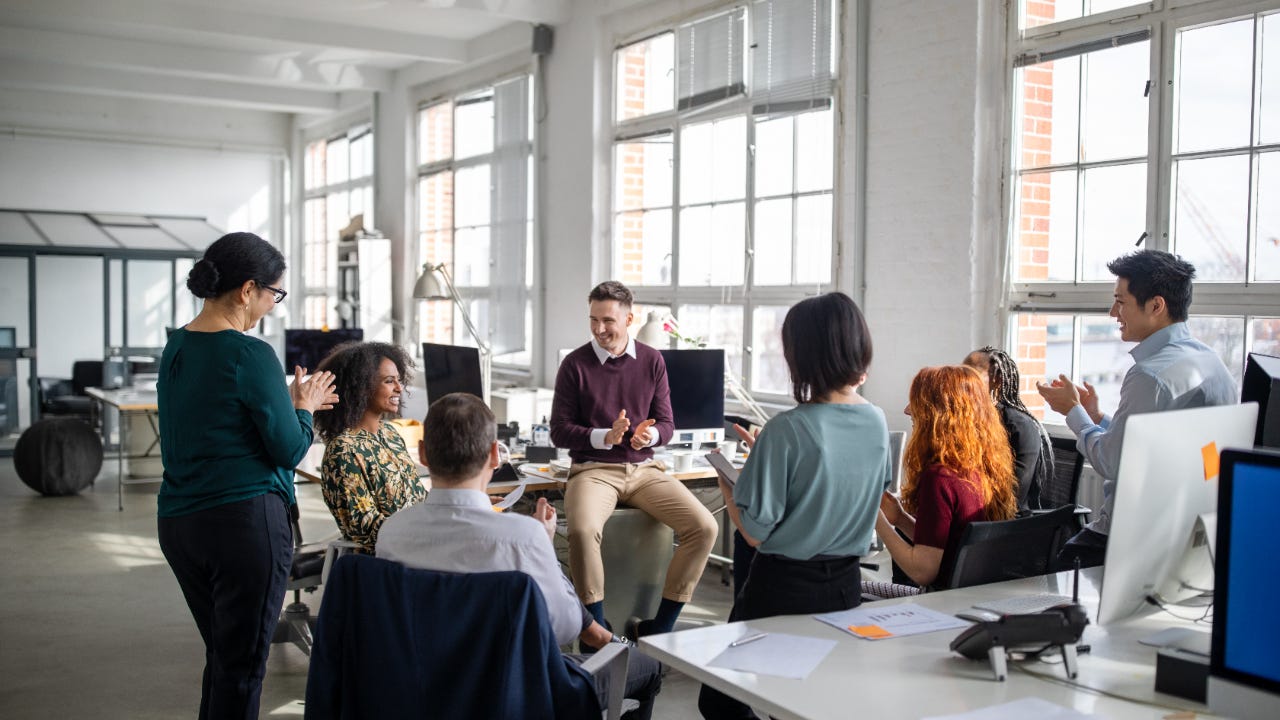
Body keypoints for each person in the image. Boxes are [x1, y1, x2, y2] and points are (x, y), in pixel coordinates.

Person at [377, 393, 662, 719]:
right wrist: (544, 547)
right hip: (513, 693)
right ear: (496, 455)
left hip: (424, 690)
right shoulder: (522, 538)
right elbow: (565, 628)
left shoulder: (392, 532)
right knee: (647, 665)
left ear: (424, 454)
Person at [156, 232, 338, 720]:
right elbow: (289, 449)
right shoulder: (250, 354)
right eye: (274, 294)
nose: (274, 306)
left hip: (179, 522)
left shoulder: (176, 346)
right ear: (247, 289)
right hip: (241, 526)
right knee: (243, 669)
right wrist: (304, 406)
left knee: (222, 658)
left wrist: (285, 403)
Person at [698, 292, 891, 720]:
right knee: (812, 701)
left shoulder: (786, 430)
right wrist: (768, 453)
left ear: (801, 355)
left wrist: (729, 482)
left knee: (721, 700)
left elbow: (755, 532)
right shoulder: (877, 420)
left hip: (782, 587)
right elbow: (849, 485)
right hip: (845, 586)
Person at [1036, 250, 1237, 566]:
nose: (1113, 312)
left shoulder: (1151, 375)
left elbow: (1113, 462)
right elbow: (1152, 441)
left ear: (1156, 306)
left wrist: (1072, 412)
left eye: (1121, 301)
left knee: (1053, 570)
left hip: (1131, 540)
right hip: (1191, 537)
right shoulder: (1211, 362)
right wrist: (1097, 417)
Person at [549, 280, 718, 638]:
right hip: (593, 471)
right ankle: (596, 628)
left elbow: (668, 424)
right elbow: (560, 431)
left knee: (704, 528)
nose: (599, 329)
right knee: (581, 531)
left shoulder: (652, 360)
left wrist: (649, 435)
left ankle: (660, 628)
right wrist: (604, 436)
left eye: (608, 320)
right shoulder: (574, 365)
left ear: (630, 319)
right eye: (593, 320)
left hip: (644, 470)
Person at [876, 365, 1018, 589]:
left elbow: (922, 571)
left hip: (940, 604)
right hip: (973, 597)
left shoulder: (939, 478)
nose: (907, 410)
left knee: (859, 589)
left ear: (939, 414)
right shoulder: (979, 467)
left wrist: (876, 519)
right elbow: (948, 546)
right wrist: (900, 519)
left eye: (917, 402)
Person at [313, 341, 425, 551]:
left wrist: (464, 505)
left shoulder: (390, 433)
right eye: (389, 381)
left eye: (399, 380)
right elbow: (365, 528)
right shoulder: (344, 450)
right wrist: (429, 530)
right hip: (383, 560)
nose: (399, 388)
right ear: (361, 387)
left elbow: (418, 498)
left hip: (417, 546)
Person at [962, 346, 1054, 511]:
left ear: (997, 379)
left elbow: (1012, 495)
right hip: (970, 511)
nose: (962, 380)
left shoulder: (1020, 427)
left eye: (970, 374)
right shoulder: (965, 420)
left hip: (1006, 523)